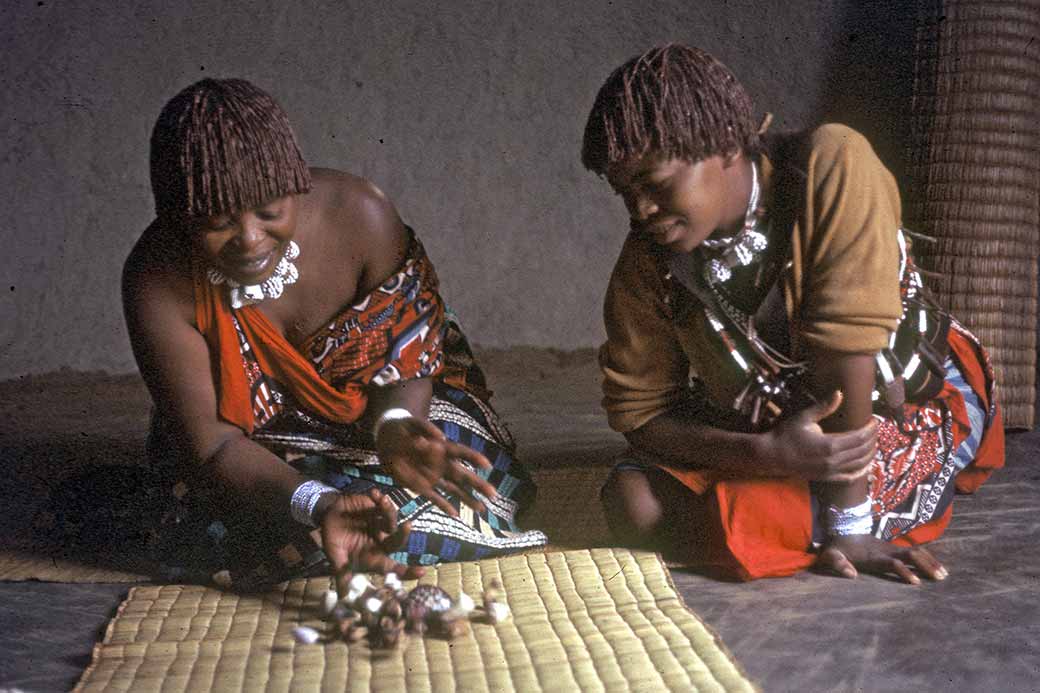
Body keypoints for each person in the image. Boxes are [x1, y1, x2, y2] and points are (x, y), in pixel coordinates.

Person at [582, 44, 1004, 583]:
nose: (641, 210)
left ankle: (813, 517)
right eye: (626, 193)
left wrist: (850, 525)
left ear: (727, 146)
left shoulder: (832, 164)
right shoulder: (649, 253)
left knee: (738, 518)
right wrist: (766, 455)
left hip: (889, 403)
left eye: (657, 185)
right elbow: (641, 413)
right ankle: (785, 512)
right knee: (633, 501)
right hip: (776, 427)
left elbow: (847, 348)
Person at [123, 78, 546, 593]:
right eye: (217, 222)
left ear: (296, 184)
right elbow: (213, 445)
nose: (251, 240)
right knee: (229, 521)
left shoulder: (361, 213)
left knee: (455, 481)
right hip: (252, 454)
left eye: (270, 211)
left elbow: (409, 359)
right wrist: (318, 503)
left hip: (383, 422)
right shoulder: (155, 281)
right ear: (179, 219)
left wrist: (396, 426)